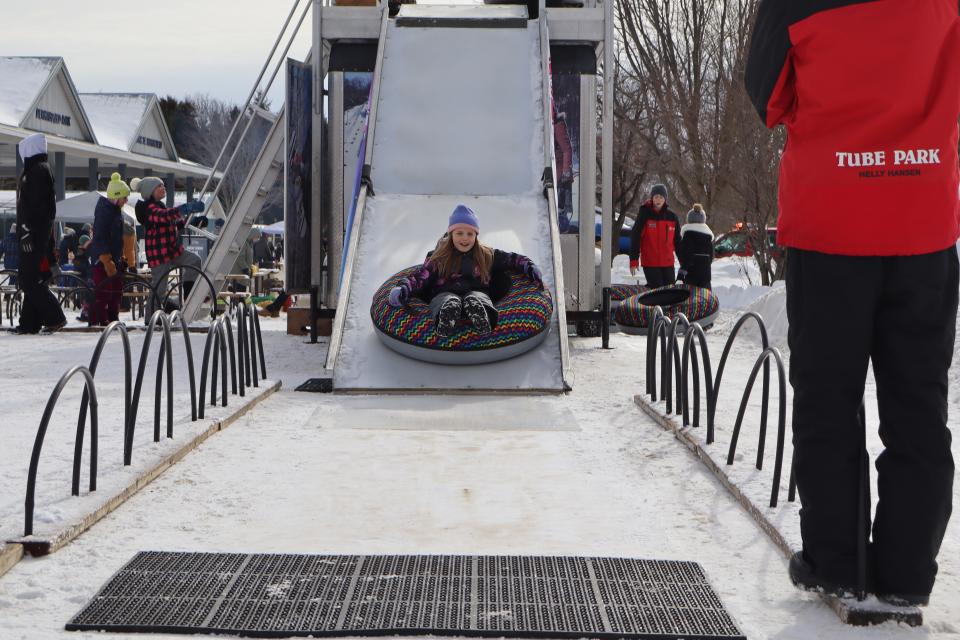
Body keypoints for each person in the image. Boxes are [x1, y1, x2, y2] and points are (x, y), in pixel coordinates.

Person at [746, 0, 960, 606]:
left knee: (829, 400)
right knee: (919, 406)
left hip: (830, 222)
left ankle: (837, 564)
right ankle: (907, 575)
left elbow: (766, 96)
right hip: (923, 220)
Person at [387, 204, 544, 337]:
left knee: (478, 297)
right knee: (444, 299)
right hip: (445, 294)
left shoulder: (486, 255)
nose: (465, 238)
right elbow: (420, 278)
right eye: (459, 233)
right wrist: (403, 289)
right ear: (451, 234)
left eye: (470, 233)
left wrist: (529, 267)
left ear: (476, 235)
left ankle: (482, 317)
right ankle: (447, 317)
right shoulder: (438, 257)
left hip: (475, 293)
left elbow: (513, 259)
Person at [13, 133, 66, 334]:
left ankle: (55, 316)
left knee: (28, 279)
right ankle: (29, 322)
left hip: (32, 233)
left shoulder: (34, 172)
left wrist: (26, 230)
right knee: (33, 278)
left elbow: (31, 206)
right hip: (40, 232)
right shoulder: (43, 169)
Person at [131, 176, 204, 317]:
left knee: (194, 260)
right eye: (159, 186)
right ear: (150, 191)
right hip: (159, 253)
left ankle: (188, 294)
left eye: (163, 185)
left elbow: (172, 225)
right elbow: (165, 216)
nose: (163, 188)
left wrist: (194, 221)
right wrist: (185, 208)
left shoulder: (159, 206)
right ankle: (151, 317)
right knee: (159, 287)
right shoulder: (149, 209)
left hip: (171, 250)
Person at [88, 173, 129, 326]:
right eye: (124, 197)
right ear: (116, 197)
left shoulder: (116, 211)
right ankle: (99, 319)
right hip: (102, 259)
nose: (126, 201)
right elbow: (100, 236)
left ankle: (113, 317)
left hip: (114, 258)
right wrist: (106, 259)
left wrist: (120, 257)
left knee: (116, 290)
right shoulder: (105, 211)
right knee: (104, 290)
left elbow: (117, 238)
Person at [628, 184, 680, 288]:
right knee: (657, 290)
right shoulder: (645, 213)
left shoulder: (672, 217)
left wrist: (684, 263)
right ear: (652, 198)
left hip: (668, 262)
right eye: (656, 197)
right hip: (650, 262)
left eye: (661, 197)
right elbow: (635, 236)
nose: (658, 200)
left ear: (665, 199)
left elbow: (678, 241)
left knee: (671, 291)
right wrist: (634, 260)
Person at [677, 204, 714, 289]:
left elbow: (686, 257)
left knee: (691, 299)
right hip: (706, 276)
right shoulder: (708, 238)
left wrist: (681, 274)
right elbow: (711, 258)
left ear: (689, 220)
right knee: (705, 299)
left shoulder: (688, 237)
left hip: (691, 276)